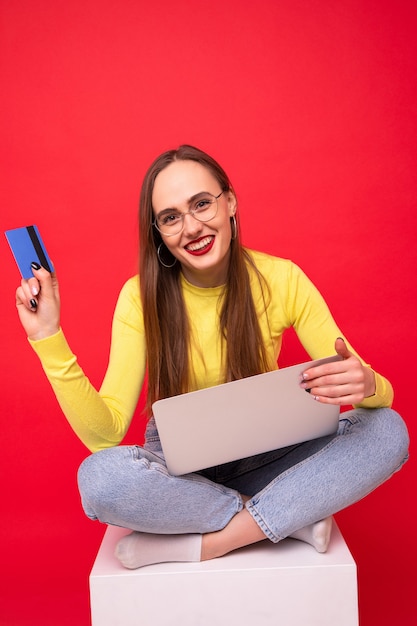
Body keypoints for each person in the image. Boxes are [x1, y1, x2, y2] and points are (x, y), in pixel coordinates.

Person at [15, 145, 409, 570]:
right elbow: (104, 435)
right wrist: (48, 336)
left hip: (268, 453)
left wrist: (368, 384)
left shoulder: (282, 278)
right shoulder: (138, 298)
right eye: (171, 217)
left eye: (202, 204)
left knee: (387, 429)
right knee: (98, 478)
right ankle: (282, 516)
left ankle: (214, 542)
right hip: (179, 470)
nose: (192, 227)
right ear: (159, 233)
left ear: (230, 202)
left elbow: (369, 390)